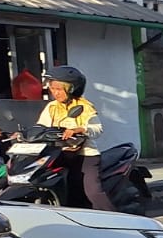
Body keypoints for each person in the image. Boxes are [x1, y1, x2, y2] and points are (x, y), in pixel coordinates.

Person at [36, 65, 111, 210]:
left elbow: (98, 129)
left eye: (59, 89)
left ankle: (113, 218)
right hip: (59, 154)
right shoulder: (51, 107)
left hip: (85, 155)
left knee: (93, 192)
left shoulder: (84, 107)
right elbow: (41, 126)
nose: (55, 93)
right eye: (52, 89)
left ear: (71, 89)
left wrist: (80, 129)